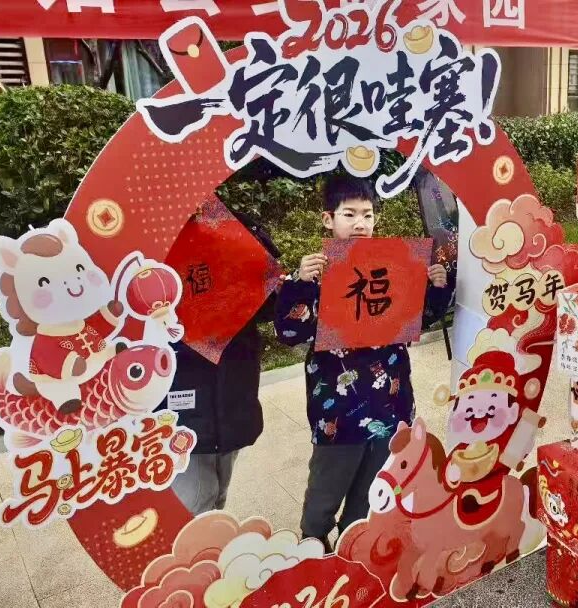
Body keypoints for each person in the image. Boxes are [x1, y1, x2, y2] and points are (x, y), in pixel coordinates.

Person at [274, 175, 452, 548]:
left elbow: (418, 319)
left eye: (367, 215)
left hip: (389, 403)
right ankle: (312, 547)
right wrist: (299, 284)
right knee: (325, 490)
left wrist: (437, 287)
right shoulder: (316, 275)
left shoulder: (392, 266)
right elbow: (290, 332)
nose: (360, 223)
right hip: (337, 414)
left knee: (373, 492)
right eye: (349, 214)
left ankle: (354, 549)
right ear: (328, 219)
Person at [165, 210, 280, 514]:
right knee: (195, 498)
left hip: (233, 390)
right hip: (181, 394)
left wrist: (253, 245)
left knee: (218, 490)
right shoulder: (149, 243)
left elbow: (269, 304)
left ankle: (212, 536)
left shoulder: (233, 227)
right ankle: (198, 541)